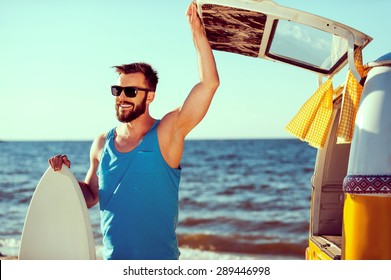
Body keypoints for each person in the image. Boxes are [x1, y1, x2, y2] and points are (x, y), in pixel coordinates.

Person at [48, 3, 219, 260]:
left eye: (131, 91)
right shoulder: (101, 144)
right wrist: (64, 178)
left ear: (150, 96)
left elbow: (209, 84)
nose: (122, 97)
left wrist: (197, 33)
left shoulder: (167, 132)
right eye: (118, 90)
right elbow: (92, 195)